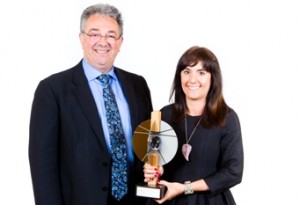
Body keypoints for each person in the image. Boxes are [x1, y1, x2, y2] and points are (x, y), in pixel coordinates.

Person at [29, 3, 153, 205]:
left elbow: (149, 146)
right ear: (82, 38)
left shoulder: (138, 85)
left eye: (111, 35)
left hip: (134, 200)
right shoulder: (53, 90)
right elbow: (43, 167)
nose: (103, 42)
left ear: (120, 42)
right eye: (94, 34)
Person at [144, 46, 243, 205]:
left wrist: (185, 188)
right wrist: (155, 170)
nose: (192, 79)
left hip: (210, 201)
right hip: (167, 199)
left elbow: (233, 172)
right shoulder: (163, 115)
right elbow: (156, 158)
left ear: (213, 78)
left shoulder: (227, 118)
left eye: (201, 73)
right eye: (187, 71)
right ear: (179, 76)